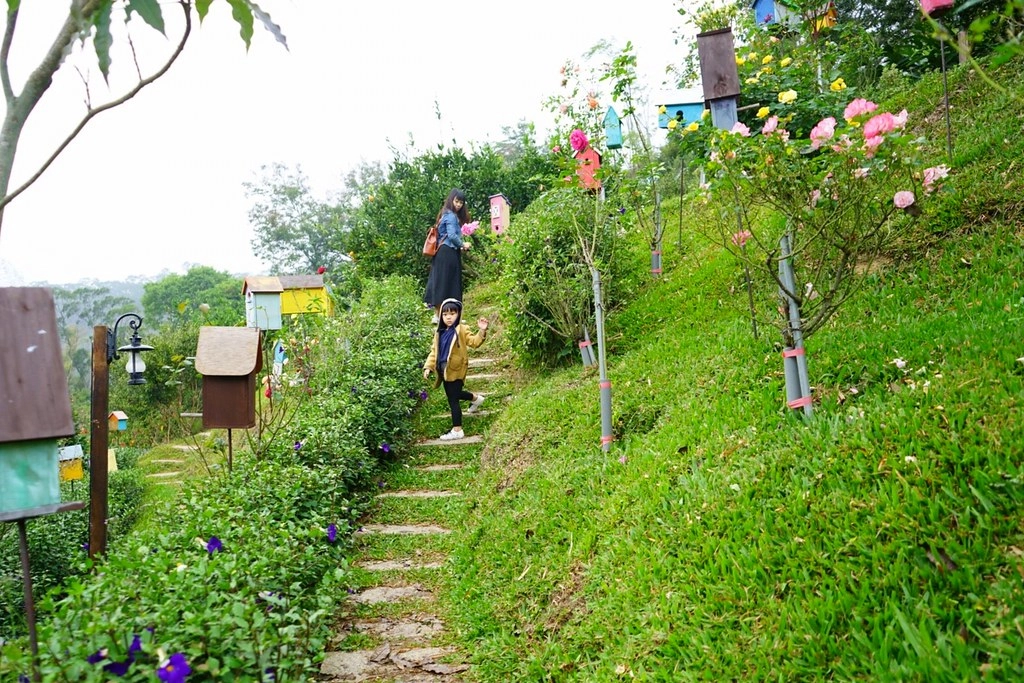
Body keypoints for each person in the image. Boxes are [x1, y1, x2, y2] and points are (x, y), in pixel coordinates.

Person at [423, 298, 488, 440]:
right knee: (455, 394)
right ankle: (476, 399)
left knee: (453, 399)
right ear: (441, 316)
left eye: (452, 314)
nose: (449, 317)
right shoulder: (439, 332)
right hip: (444, 371)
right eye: (445, 314)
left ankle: (457, 430)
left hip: (457, 369)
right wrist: (428, 367)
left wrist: (481, 331)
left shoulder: (462, 330)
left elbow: (474, 342)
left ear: (458, 314)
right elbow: (434, 351)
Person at [423, 189, 471, 322]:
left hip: (441, 253)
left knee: (441, 283)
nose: (459, 204)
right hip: (448, 253)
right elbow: (451, 236)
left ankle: (438, 316)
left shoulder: (445, 214)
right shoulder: (450, 216)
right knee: (452, 284)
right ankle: (452, 317)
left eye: (461, 202)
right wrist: (463, 244)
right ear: (451, 200)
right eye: (457, 201)